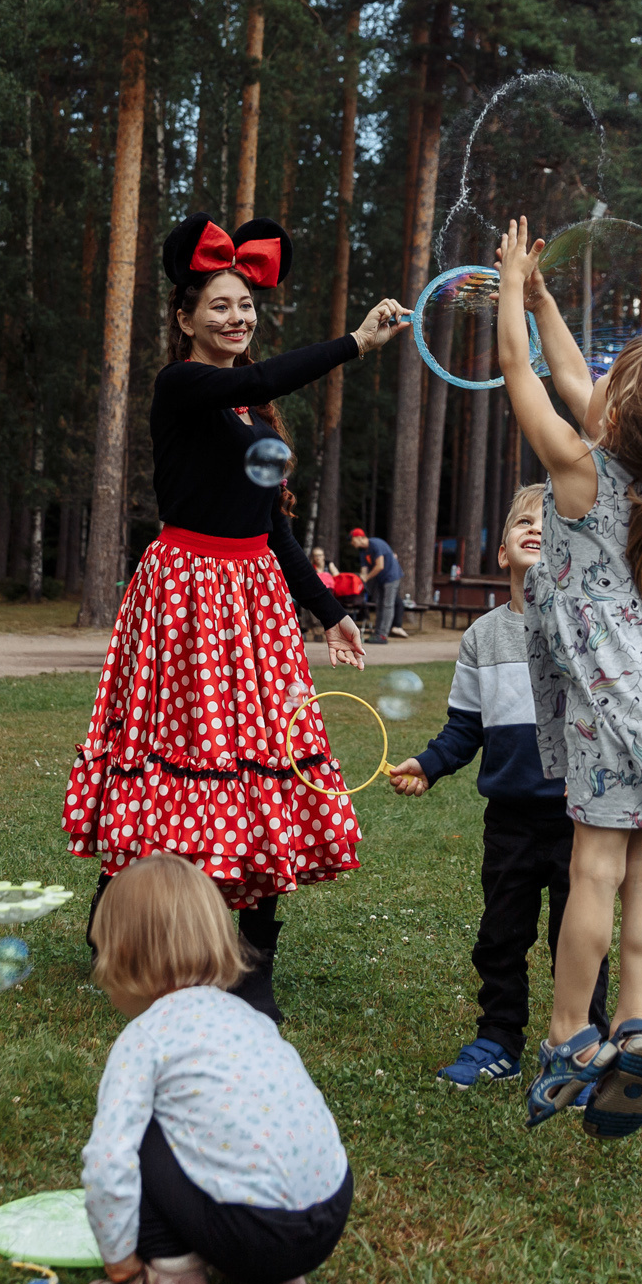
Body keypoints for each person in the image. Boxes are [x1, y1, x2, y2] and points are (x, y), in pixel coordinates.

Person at [66, 214, 411, 1022]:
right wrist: (353, 344)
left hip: (254, 603)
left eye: (246, 305)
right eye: (219, 305)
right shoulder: (182, 385)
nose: (237, 317)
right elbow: (253, 380)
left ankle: (252, 963)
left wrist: (330, 610)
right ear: (185, 317)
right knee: (177, 760)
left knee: (263, 772)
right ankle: (119, 910)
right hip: (186, 597)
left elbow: (273, 526)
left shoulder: (257, 413)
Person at [493, 215, 642, 1140]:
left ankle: (568, 1035)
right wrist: (546, 298)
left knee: (592, 865)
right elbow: (571, 379)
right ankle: (634, 1021)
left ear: (619, 417)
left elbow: (521, 373)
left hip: (614, 703)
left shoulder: (578, 471)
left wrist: (509, 291)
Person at [388, 483, 611, 1090]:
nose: (536, 529)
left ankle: (585, 1043)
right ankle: (498, 1038)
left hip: (581, 819)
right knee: (500, 936)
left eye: (551, 523)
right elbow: (465, 726)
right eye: (523, 523)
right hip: (509, 821)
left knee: (579, 935)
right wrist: (428, 765)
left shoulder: (587, 625)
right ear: (503, 552)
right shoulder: (481, 638)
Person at [78, 854, 352, 1284]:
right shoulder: (250, 1018)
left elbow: (108, 1162)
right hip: (329, 1213)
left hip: (255, 1232)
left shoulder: (146, 1038)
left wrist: (119, 1260)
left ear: (122, 959)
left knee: (140, 1137)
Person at [350, 527, 404, 643]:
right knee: (379, 605)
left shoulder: (375, 544)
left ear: (359, 538)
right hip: (380, 579)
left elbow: (380, 566)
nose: (351, 543)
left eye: (352, 539)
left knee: (387, 605)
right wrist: (361, 580)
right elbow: (364, 569)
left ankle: (383, 635)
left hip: (391, 576)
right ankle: (377, 633)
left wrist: (367, 578)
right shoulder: (362, 551)